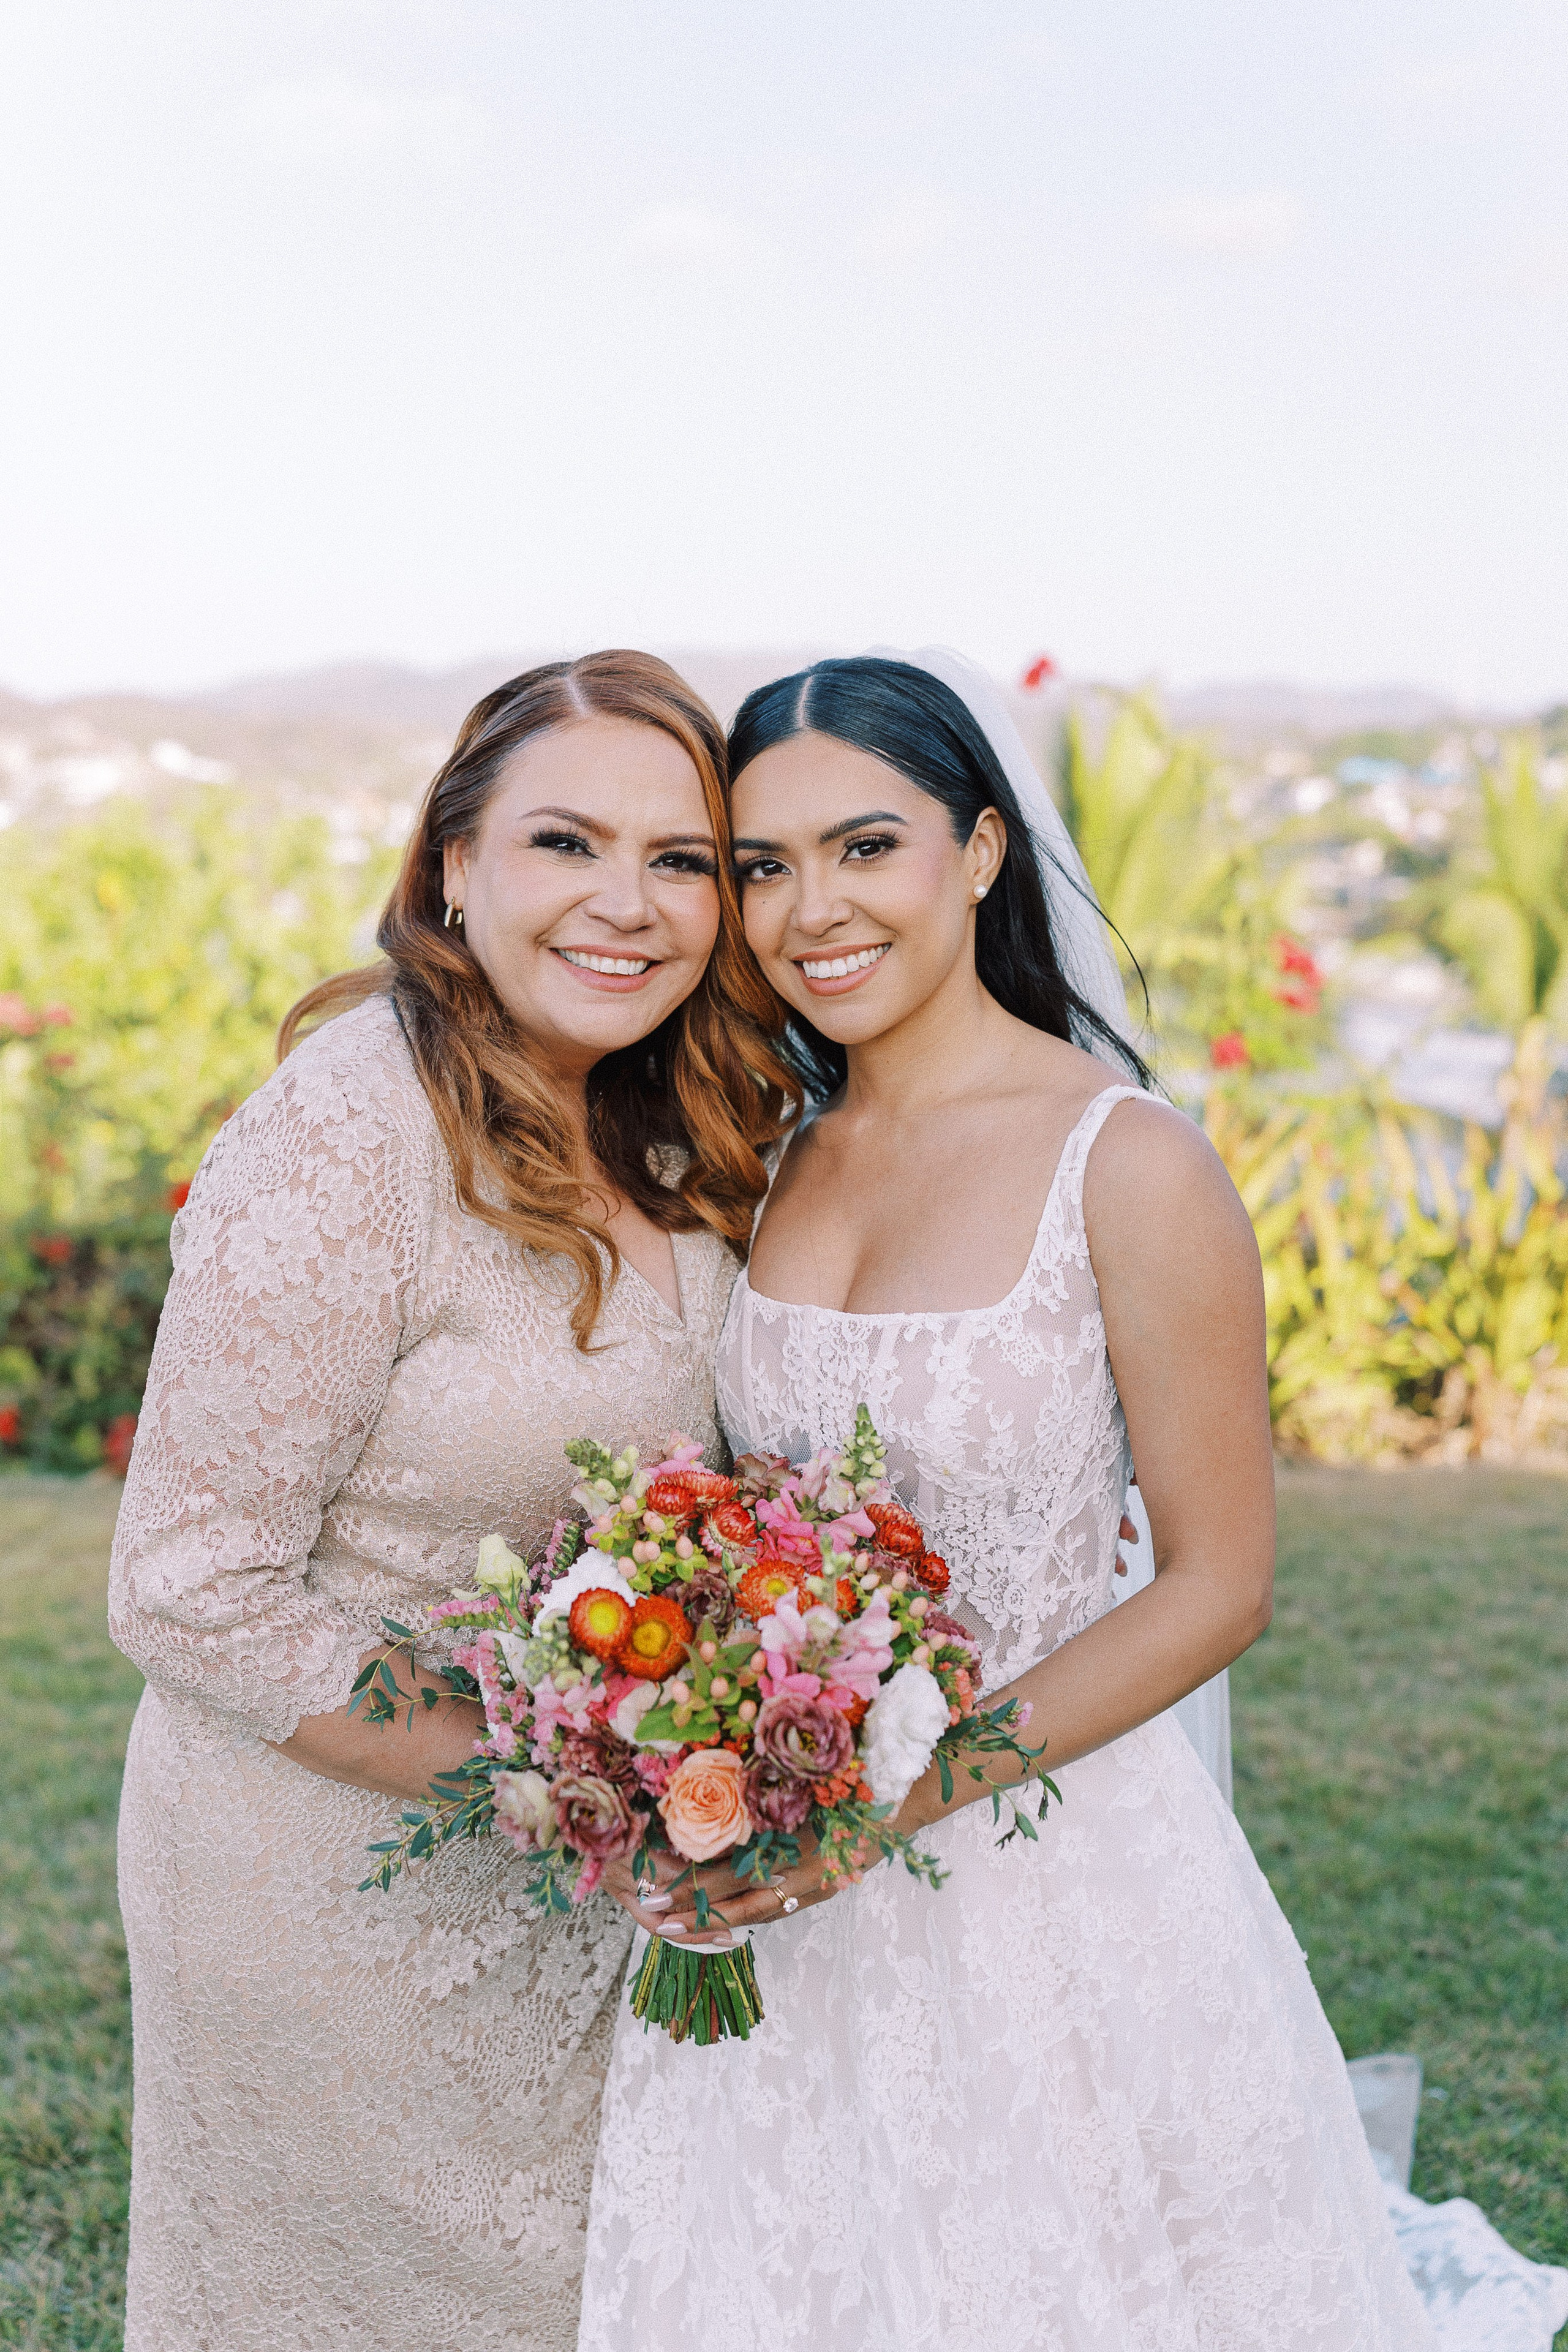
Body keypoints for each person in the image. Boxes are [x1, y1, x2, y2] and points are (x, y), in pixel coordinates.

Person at [581, 652, 1437, 2350]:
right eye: (760, 867)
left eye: (866, 846)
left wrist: (885, 1812)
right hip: (774, 1871)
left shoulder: (1125, 1162)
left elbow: (1215, 1584)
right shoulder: (768, 1154)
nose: (806, 910)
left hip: (1047, 1870)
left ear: (979, 850)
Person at [108, 653, 793, 2352]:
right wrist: (572, 1783)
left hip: (570, 1884)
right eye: (566, 843)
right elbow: (190, 1583)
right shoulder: (350, 1135)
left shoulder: (657, 1117)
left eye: (684, 859)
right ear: (454, 869)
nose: (626, 905)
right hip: (328, 1883)